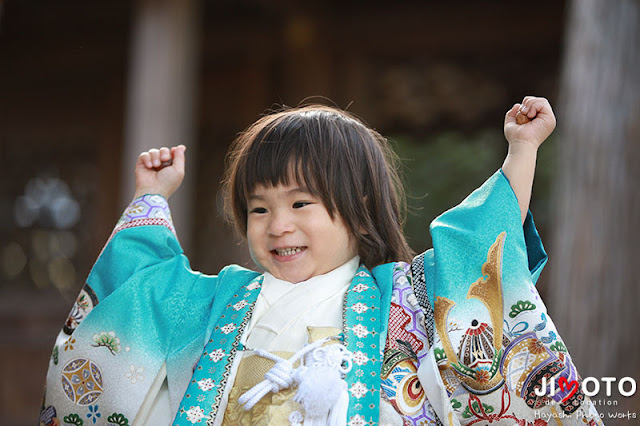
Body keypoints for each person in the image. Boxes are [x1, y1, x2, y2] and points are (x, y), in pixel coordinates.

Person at [40, 97, 602, 426]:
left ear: (357, 209)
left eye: (300, 203)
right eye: (258, 209)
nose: (277, 225)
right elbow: (140, 289)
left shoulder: (404, 298)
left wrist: (522, 150)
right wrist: (151, 197)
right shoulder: (216, 302)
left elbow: (478, 251)